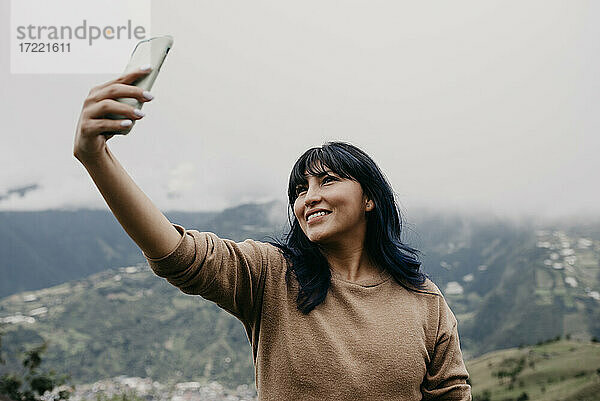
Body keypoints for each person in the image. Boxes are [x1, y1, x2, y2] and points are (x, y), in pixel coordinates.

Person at [74, 67, 472, 400]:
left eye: (328, 181)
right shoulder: (272, 275)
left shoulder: (423, 301)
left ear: (369, 198)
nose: (309, 198)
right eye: (300, 190)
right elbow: (178, 253)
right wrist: (97, 159)